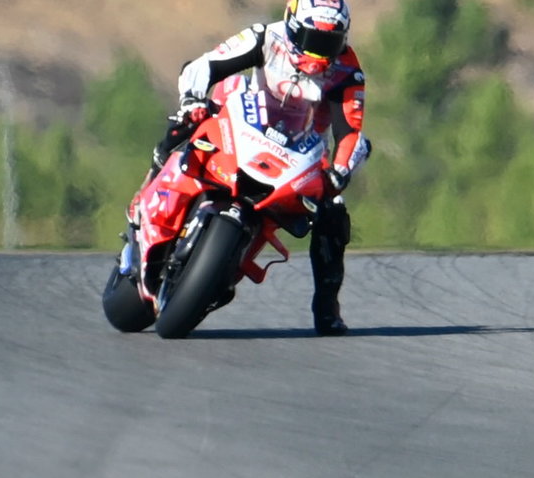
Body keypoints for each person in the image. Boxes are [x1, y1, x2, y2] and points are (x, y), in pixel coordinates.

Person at [133, 0, 370, 336]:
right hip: (247, 122)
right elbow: (207, 64)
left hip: (300, 150)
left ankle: (326, 305)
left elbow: (350, 134)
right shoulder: (265, 37)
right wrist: (194, 100)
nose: (319, 55)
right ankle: (151, 185)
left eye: (329, 44)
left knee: (333, 210)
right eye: (312, 41)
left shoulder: (348, 72)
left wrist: (341, 170)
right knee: (186, 122)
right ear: (291, 27)